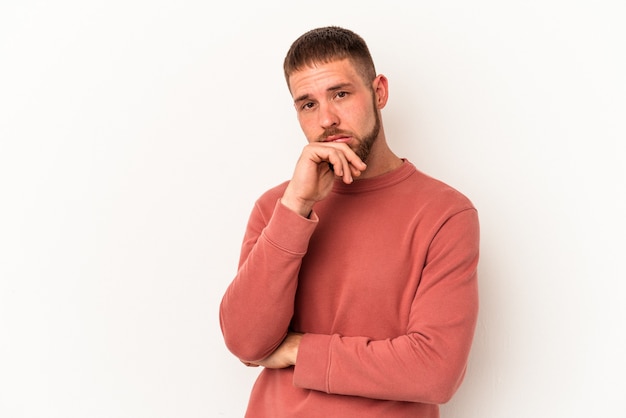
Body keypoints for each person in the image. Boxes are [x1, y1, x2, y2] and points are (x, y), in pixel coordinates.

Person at [219, 26, 479, 418]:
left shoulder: (445, 214)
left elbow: (435, 371)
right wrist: (297, 205)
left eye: (340, 94)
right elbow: (245, 343)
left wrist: (296, 350)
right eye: (307, 104)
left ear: (379, 92)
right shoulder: (278, 207)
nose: (327, 119)